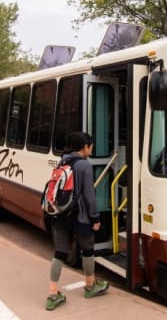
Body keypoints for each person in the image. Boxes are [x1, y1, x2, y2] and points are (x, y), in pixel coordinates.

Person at [46, 131, 109, 310]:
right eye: (91, 145)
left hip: (61, 213)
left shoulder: (62, 161)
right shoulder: (84, 165)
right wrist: (95, 218)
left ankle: (52, 295)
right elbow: (89, 195)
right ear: (85, 147)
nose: (92, 148)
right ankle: (90, 286)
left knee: (59, 253)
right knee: (88, 251)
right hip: (80, 216)